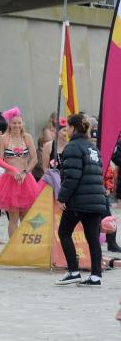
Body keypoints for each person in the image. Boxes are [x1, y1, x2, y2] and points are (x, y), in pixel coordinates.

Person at [55, 113, 108, 286]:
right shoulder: (93, 147)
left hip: (78, 200)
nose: (66, 130)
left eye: (67, 127)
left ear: (72, 127)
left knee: (64, 232)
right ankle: (95, 276)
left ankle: (73, 271)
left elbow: (71, 177)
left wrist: (62, 197)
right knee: (92, 238)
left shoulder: (72, 147)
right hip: (95, 199)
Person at [0, 109, 39, 237]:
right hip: (9, 180)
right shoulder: (3, 139)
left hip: (26, 180)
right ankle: (13, 247)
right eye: (14, 123)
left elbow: (34, 159)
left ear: (22, 123)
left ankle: (25, 244)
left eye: (19, 123)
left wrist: (25, 172)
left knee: (27, 216)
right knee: (13, 217)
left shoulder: (27, 137)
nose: (17, 126)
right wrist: (13, 170)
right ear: (9, 124)